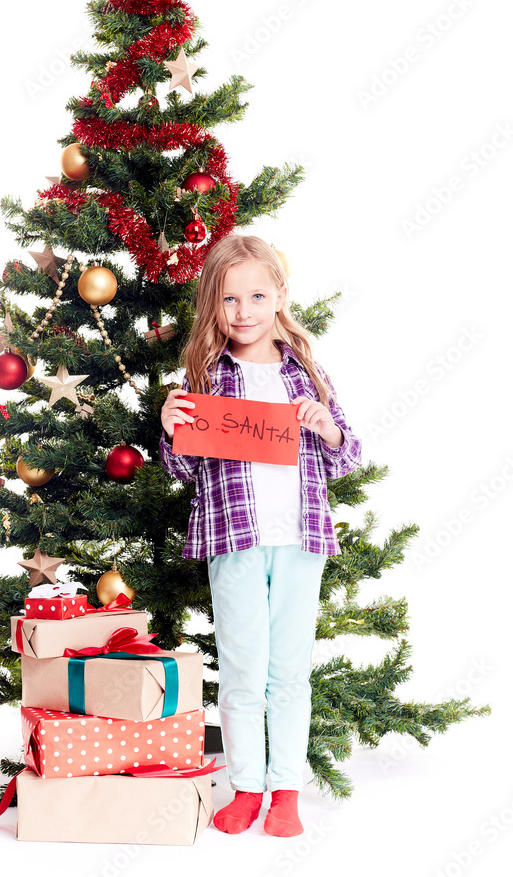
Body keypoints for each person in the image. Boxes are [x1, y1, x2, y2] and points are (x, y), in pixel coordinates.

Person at [158, 233, 362, 838]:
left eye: (255, 295)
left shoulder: (307, 372)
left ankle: (287, 792)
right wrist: (172, 432)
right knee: (244, 670)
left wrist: (326, 430)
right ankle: (247, 785)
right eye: (228, 300)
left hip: (301, 540)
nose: (243, 311)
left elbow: (345, 457)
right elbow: (185, 471)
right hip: (235, 540)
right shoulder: (209, 375)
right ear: (212, 307)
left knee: (289, 672)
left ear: (279, 296)